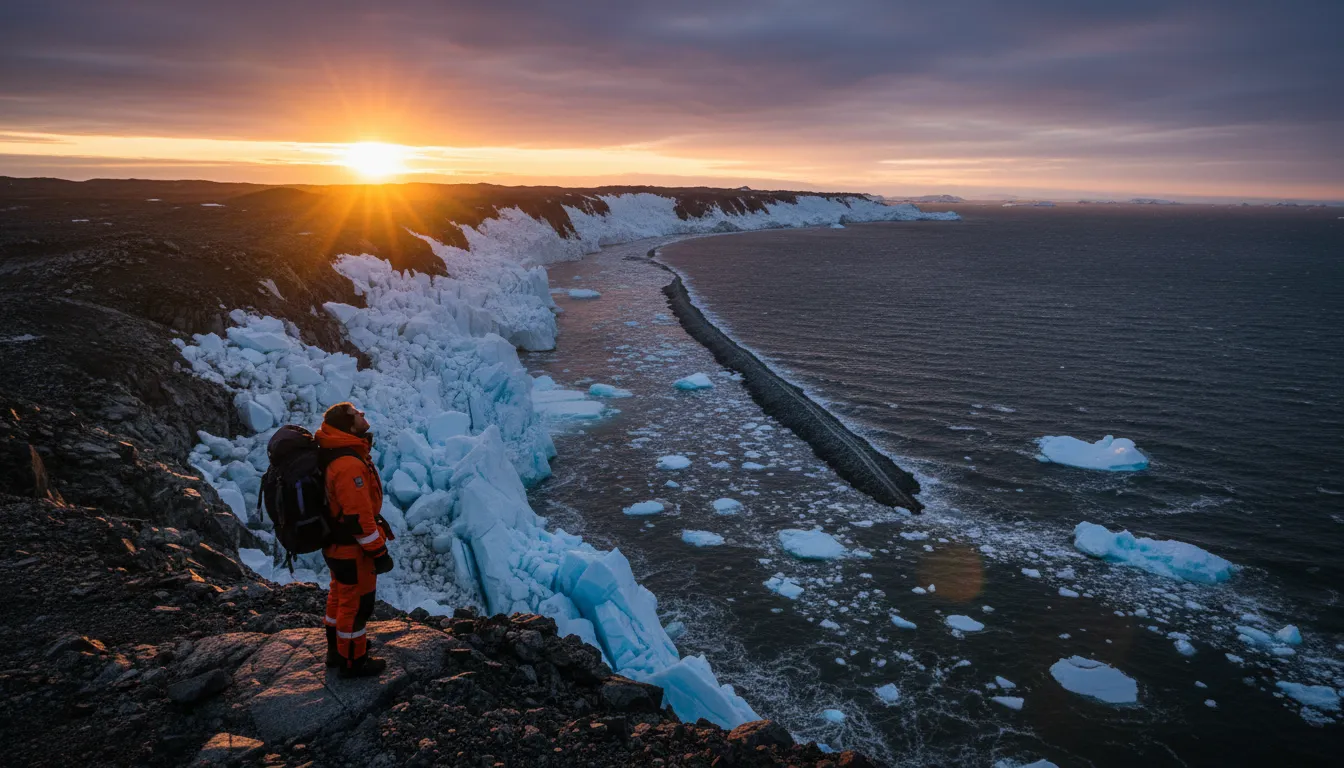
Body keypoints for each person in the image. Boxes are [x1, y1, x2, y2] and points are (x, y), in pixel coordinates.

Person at [316, 401, 395, 677]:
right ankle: (354, 661)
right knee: (358, 605)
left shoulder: (343, 452)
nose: (362, 413)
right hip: (351, 548)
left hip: (338, 545)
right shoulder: (348, 465)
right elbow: (359, 519)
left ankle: (337, 650)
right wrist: (379, 553)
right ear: (348, 426)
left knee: (340, 596)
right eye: (356, 414)